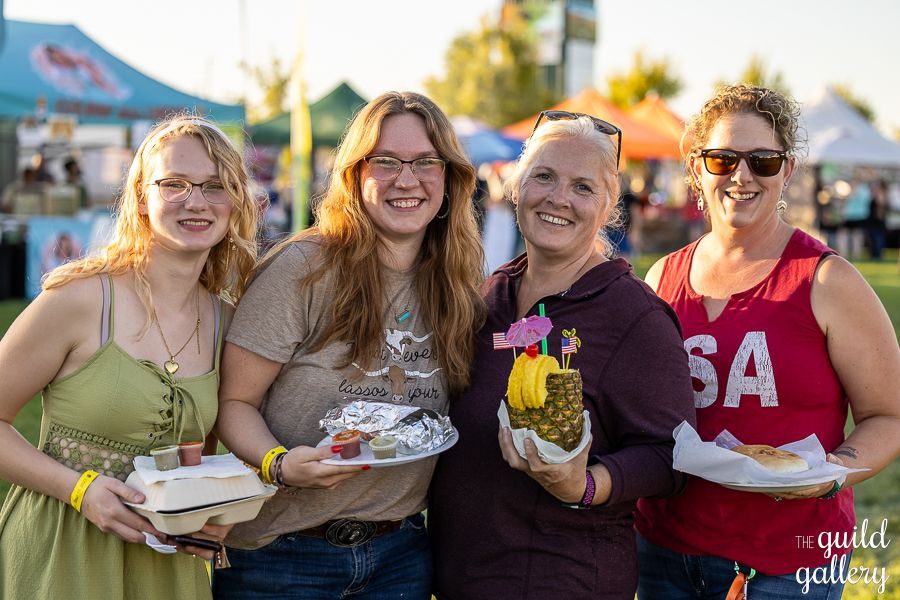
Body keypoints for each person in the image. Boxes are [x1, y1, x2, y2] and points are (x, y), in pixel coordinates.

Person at [212, 91, 485, 599]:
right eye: (386, 161)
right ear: (355, 174)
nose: (407, 179)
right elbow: (233, 402)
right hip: (281, 557)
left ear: (449, 179)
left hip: (399, 555)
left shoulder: (458, 283)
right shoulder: (303, 268)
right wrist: (278, 462)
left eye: (426, 161)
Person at [635, 85, 900, 599]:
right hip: (663, 551)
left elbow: (888, 417)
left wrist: (831, 474)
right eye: (722, 158)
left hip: (784, 565)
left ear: (788, 171)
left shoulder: (826, 280)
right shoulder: (662, 277)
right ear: (696, 168)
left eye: (763, 160)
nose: (742, 175)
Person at [428, 111, 696, 600]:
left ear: (610, 204)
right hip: (460, 577)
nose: (558, 199)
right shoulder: (492, 295)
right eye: (544, 177)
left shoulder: (635, 316)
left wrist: (585, 485)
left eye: (583, 187)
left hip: (563, 579)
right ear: (516, 185)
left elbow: (673, 457)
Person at [0, 114, 259, 599]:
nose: (196, 202)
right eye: (174, 184)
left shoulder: (230, 323)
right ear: (141, 197)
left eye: (214, 186)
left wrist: (211, 515)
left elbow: (205, 460)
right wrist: (79, 490)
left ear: (235, 201)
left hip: (163, 564)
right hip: (64, 552)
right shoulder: (80, 299)